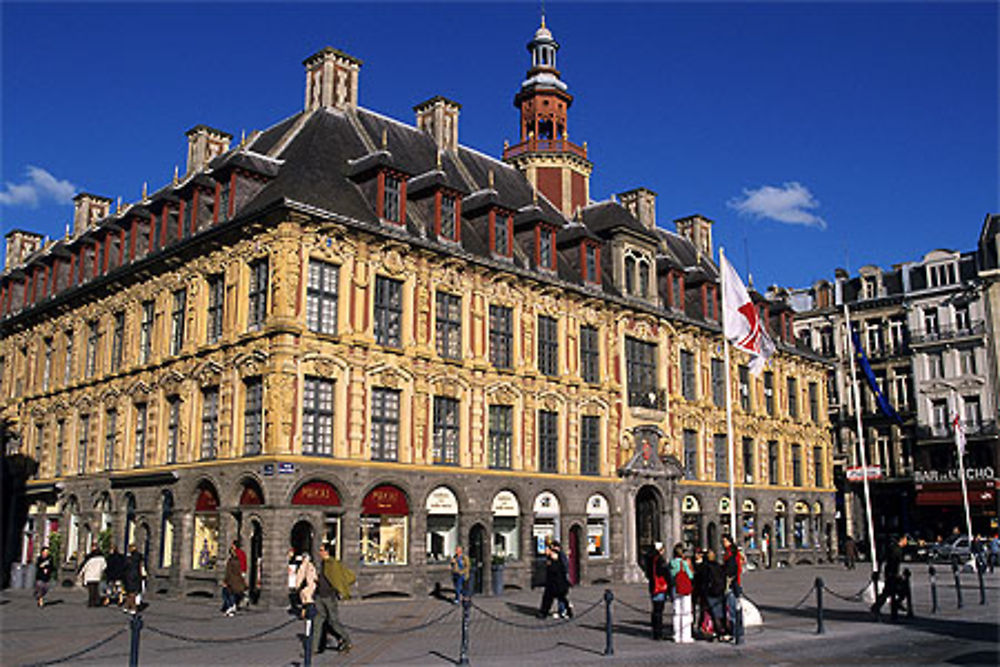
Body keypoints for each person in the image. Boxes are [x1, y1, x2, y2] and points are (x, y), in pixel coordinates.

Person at [312, 543, 354, 655]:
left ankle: (347, 640)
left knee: (334, 621)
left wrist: (340, 590)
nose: (319, 552)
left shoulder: (333, 563)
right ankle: (314, 648)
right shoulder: (322, 563)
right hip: (319, 595)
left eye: (321, 550)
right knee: (317, 621)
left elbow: (338, 578)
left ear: (326, 552)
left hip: (329, 596)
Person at [871, 534, 905, 621]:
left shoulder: (893, 548)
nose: (906, 541)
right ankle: (894, 605)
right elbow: (894, 562)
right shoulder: (896, 550)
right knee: (896, 591)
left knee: (888, 592)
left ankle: (877, 607)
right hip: (892, 574)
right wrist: (894, 574)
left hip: (890, 574)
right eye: (905, 539)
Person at [537, 543, 571, 619]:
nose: (545, 551)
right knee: (549, 599)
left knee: (560, 598)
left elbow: (559, 569)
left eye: (547, 550)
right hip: (551, 583)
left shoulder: (556, 557)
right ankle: (543, 613)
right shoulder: (549, 558)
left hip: (557, 583)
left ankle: (566, 611)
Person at [669, 543, 695, 644]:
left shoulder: (672, 562)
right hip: (685, 588)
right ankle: (686, 635)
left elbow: (672, 574)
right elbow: (690, 575)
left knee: (677, 612)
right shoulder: (684, 562)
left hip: (676, 588)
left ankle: (677, 635)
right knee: (686, 612)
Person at [721, 534, 743, 639]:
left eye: (724, 541)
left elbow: (732, 568)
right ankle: (736, 631)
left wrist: (724, 573)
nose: (723, 543)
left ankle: (736, 632)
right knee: (733, 608)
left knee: (733, 608)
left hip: (732, 583)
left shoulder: (731, 553)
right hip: (734, 582)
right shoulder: (732, 552)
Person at [645, 542, 669, 640]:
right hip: (659, 586)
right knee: (659, 610)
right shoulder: (659, 560)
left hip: (653, 586)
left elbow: (648, 573)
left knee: (655, 609)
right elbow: (662, 572)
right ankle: (658, 632)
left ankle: (655, 630)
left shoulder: (649, 559)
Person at [295, 552, 319, 647]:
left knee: (307, 600)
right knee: (307, 600)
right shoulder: (310, 565)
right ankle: (306, 613)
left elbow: (300, 577)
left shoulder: (305, 566)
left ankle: (307, 613)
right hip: (309, 586)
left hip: (307, 587)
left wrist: (298, 586)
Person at [703, 549, 727, 641]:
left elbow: (704, 581)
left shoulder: (706, 567)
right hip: (720, 591)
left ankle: (716, 632)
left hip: (711, 591)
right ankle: (722, 632)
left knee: (713, 613)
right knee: (720, 612)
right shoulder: (718, 566)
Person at [221, 543, 247, 616]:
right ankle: (232, 606)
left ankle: (231, 606)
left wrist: (225, 580)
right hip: (238, 577)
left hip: (232, 579)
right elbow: (243, 564)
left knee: (227, 593)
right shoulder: (239, 558)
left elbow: (228, 572)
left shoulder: (232, 561)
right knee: (233, 592)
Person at [79, 544, 107, 608]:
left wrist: (80, 573)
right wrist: (100, 571)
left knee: (91, 590)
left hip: (89, 575)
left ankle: (91, 602)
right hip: (97, 575)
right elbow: (104, 566)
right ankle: (96, 601)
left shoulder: (89, 558)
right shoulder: (102, 558)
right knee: (95, 589)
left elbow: (84, 566)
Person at [123, 544, 145, 614]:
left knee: (131, 593)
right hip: (137, 576)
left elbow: (125, 566)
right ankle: (127, 606)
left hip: (130, 576)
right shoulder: (139, 557)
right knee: (132, 593)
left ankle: (133, 607)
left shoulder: (129, 558)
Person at [287, 548, 303, 613]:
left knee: (293, 592)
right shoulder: (288, 560)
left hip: (293, 579)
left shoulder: (295, 560)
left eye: (292, 552)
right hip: (290, 579)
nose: (291, 554)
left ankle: (294, 604)